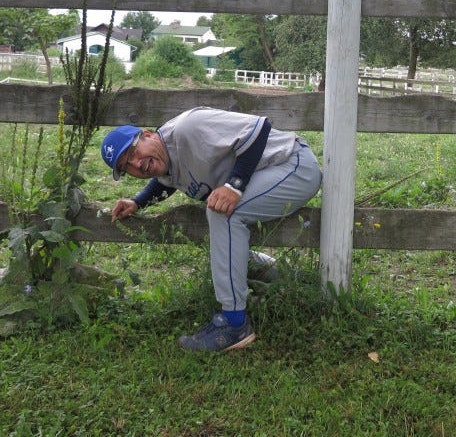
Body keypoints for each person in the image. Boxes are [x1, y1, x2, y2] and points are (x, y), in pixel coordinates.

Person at [101, 106, 322, 352]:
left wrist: (234, 186)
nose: (137, 164)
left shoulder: (189, 128)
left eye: (133, 151)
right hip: (272, 171)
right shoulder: (163, 158)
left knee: (223, 214)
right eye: (127, 166)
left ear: (148, 134)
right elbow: (167, 179)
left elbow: (259, 128)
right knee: (226, 241)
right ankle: (291, 279)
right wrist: (138, 201)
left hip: (293, 165)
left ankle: (234, 324)